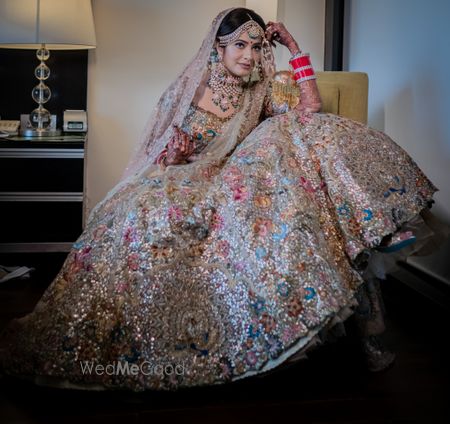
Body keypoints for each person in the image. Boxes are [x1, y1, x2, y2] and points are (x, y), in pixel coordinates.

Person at [0, 8, 440, 391]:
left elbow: (310, 109)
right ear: (218, 48)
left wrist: (293, 46)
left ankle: (366, 223)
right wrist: (176, 152)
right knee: (142, 217)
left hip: (242, 180)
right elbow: (162, 151)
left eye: (254, 46)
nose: (248, 56)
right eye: (238, 47)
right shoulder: (189, 90)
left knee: (296, 131)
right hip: (188, 180)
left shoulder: (262, 90)